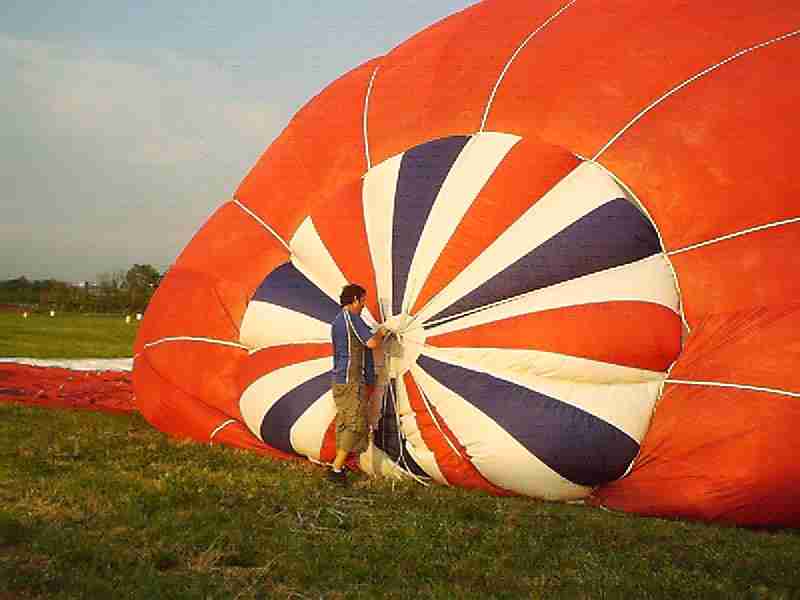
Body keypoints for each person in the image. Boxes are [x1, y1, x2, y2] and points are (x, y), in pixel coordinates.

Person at [328, 283, 388, 485]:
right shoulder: (350, 318)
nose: (363, 306)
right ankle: (335, 469)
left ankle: (339, 465)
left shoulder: (339, 320)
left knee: (346, 423)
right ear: (354, 300)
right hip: (350, 381)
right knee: (355, 424)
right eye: (362, 301)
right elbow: (371, 343)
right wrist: (383, 331)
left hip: (345, 380)